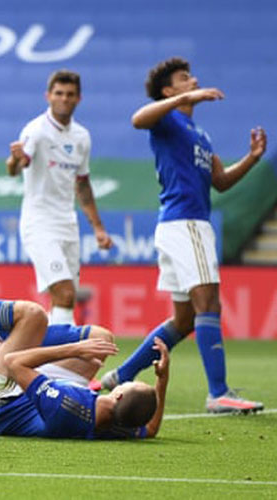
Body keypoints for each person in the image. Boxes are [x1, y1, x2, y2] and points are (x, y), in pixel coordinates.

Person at [99, 57, 266, 414]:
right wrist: (183, 100)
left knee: (185, 319)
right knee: (209, 304)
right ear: (168, 90)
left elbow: (219, 181)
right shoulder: (168, 120)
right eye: (184, 78)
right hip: (186, 223)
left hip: (181, 226)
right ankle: (218, 393)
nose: (193, 80)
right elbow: (137, 119)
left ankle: (122, 373)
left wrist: (251, 159)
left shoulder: (200, 135)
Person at [0, 249, 168, 439]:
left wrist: (75, 349)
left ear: (119, 393)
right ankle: (7, 338)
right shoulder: (121, 423)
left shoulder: (67, 404)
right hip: (31, 393)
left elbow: (14, 363)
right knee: (101, 340)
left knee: (34, 315)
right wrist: (162, 380)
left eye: (130, 382)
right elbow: (151, 428)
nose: (128, 381)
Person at [5, 70, 112, 325]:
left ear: (79, 98)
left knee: (66, 299)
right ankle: (61, 358)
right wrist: (15, 159)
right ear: (48, 96)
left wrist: (98, 228)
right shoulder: (36, 131)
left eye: (70, 94)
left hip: (68, 224)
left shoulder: (82, 137)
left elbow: (82, 184)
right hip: (39, 223)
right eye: (59, 93)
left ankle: (48, 356)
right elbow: (16, 167)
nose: (64, 99)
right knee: (64, 293)